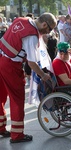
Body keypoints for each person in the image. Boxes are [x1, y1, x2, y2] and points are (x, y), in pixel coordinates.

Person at [0, 12, 57, 143]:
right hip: (10, 65)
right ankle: (17, 135)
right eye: (50, 29)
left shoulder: (22, 20)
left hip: (1, 56)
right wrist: (43, 75)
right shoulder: (32, 36)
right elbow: (31, 63)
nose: (48, 32)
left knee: (1, 96)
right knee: (17, 99)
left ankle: (1, 127)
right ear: (44, 24)